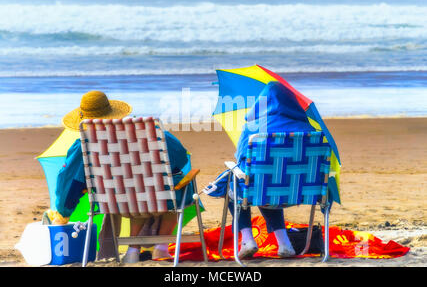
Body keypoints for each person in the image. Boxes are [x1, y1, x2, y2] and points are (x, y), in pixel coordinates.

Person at [52, 90, 193, 263]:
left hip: (115, 202)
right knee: (177, 183)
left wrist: (63, 212)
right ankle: (161, 247)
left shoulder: (85, 143)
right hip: (161, 199)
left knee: (137, 193)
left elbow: (69, 181)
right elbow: (180, 156)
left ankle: (133, 252)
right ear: (111, 111)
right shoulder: (151, 131)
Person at [210, 81, 315, 259]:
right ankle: (284, 243)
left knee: (239, 181)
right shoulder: (309, 130)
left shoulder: (254, 127)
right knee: (271, 180)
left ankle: (247, 240)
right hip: (301, 192)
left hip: (264, 189)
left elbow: (243, 161)